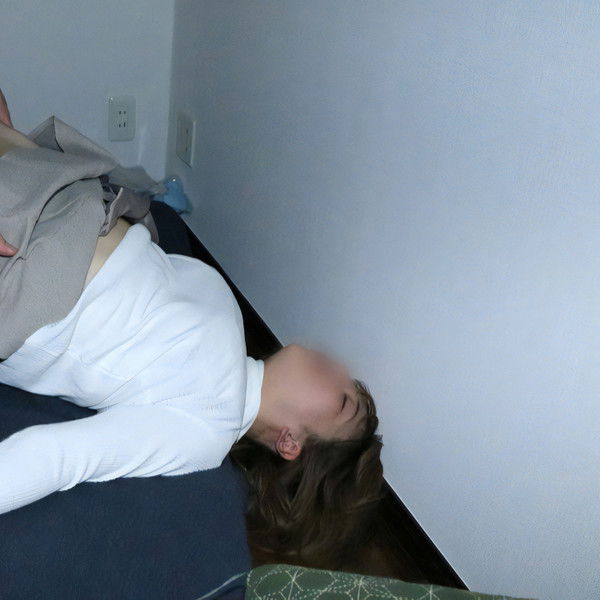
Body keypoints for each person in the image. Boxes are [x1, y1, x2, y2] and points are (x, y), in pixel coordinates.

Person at [0, 88, 384, 568]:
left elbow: (57, 457)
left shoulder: (202, 430)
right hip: (65, 196)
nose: (339, 370)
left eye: (343, 399)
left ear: (290, 442)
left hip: (29, 272)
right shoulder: (229, 320)